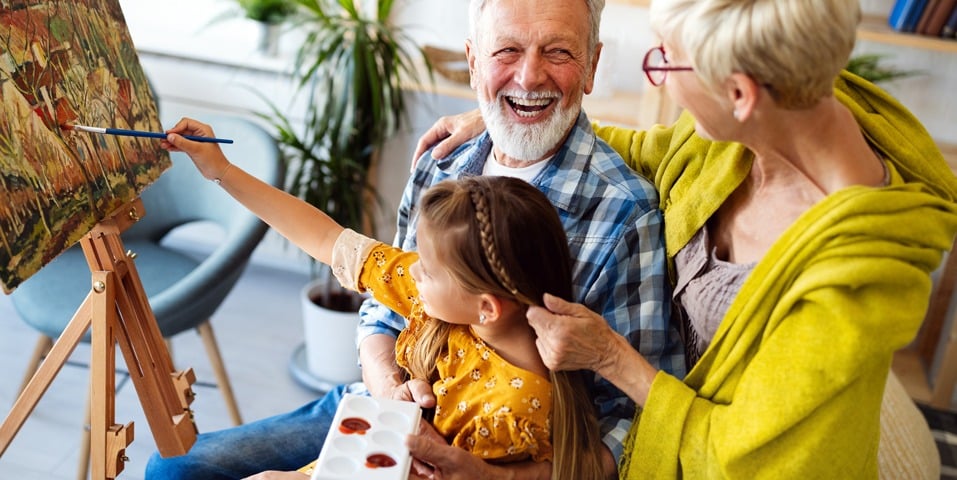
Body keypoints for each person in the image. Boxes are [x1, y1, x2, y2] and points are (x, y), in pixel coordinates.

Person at [404, 0, 957, 478]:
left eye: (666, 58)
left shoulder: (852, 286)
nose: (660, 78)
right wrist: (511, 112)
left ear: (740, 93)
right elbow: (659, 148)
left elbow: (739, 459)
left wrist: (612, 357)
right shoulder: (768, 120)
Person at [146, 0, 683, 478]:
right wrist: (221, 169)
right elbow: (350, 265)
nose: (528, 75)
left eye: (558, 51)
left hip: (461, 455)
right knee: (173, 468)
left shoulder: (622, 215)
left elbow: (630, 423)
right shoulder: (446, 161)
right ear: (473, 61)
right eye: (508, 50)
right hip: (381, 408)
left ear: (591, 65)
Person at [159, 119, 607, 478]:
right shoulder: (452, 303)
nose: (412, 271)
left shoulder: (511, 412)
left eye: (427, 270)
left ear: (487, 307)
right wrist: (221, 170)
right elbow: (328, 239)